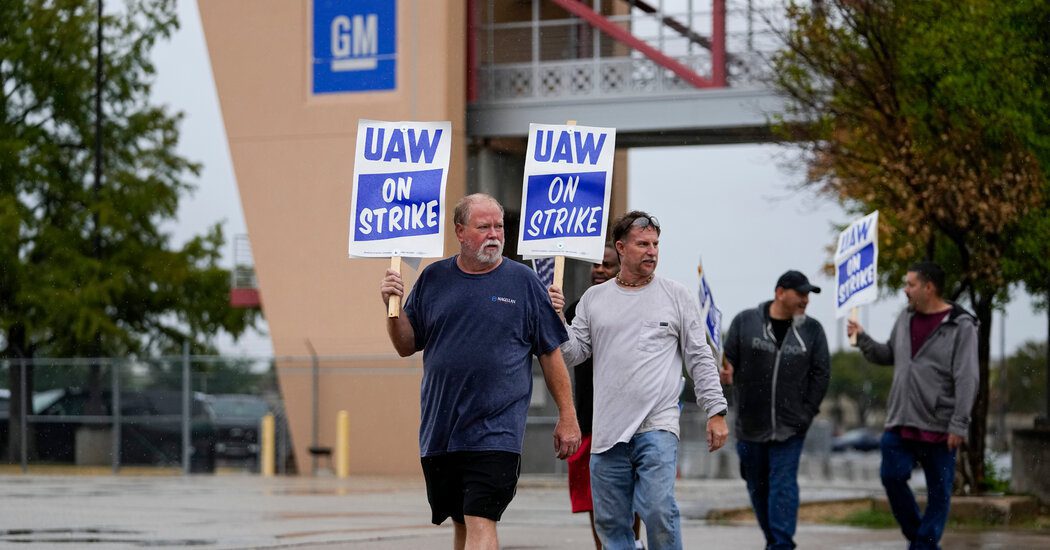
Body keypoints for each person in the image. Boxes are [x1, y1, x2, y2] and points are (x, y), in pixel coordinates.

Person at [381, 193, 581, 550]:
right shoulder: (433, 279)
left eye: (499, 226)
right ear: (460, 230)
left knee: (480, 516)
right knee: (460, 520)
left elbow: (551, 354)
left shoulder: (524, 282)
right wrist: (392, 309)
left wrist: (568, 415)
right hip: (441, 429)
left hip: (496, 431)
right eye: (483, 226)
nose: (494, 234)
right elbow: (405, 345)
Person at [549, 211, 729, 550]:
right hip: (607, 432)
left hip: (657, 425)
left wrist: (716, 410)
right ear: (621, 247)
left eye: (656, 244)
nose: (652, 251)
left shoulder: (676, 296)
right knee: (611, 524)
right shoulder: (594, 300)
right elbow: (573, 353)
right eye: (642, 244)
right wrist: (557, 317)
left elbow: (699, 356)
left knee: (659, 509)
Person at [847, 261, 978, 550]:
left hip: (940, 424)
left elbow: (967, 377)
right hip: (901, 418)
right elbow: (889, 354)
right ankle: (922, 540)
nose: (905, 290)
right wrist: (863, 339)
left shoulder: (961, 325)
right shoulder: (905, 318)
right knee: (891, 477)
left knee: (940, 492)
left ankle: (923, 544)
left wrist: (959, 423)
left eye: (910, 284)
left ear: (929, 287)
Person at [721, 270, 831, 550]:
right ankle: (774, 539)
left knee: (783, 484)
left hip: (791, 427)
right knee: (757, 486)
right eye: (800, 294)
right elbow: (726, 361)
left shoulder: (813, 330)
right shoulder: (746, 322)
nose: (805, 300)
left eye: (808, 295)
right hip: (750, 425)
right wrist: (725, 372)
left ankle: (781, 544)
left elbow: (821, 374)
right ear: (780, 292)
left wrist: (807, 413)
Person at [563, 244, 643, 549]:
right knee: (593, 500)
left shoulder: (636, 309)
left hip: (628, 421)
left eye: (607, 265)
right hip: (589, 420)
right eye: (595, 265)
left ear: (621, 268)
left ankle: (630, 544)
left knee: (631, 497)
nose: (599, 270)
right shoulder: (575, 310)